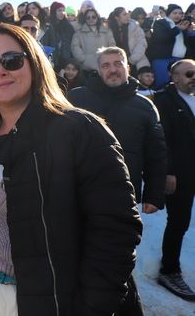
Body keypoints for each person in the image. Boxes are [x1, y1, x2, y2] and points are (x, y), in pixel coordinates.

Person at [0, 24, 142, 314]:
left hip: (55, 301)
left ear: (34, 63)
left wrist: (91, 307)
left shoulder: (79, 128)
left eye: (12, 60)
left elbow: (116, 230)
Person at [68, 46, 167, 214]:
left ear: (127, 68)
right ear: (98, 70)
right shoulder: (74, 98)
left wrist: (154, 195)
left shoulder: (145, 106)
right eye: (106, 66)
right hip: (79, 192)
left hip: (125, 193)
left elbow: (156, 154)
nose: (112, 70)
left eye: (118, 64)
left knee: (121, 240)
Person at [153, 59, 195, 301]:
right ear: (175, 77)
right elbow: (162, 139)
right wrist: (167, 172)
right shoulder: (164, 100)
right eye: (189, 73)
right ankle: (169, 270)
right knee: (178, 222)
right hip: (179, 173)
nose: (193, 77)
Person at [146, 4, 193, 89]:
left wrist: (189, 32)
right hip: (162, 59)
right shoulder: (161, 22)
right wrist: (177, 29)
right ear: (169, 14)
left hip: (179, 60)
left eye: (180, 13)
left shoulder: (183, 24)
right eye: (174, 13)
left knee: (180, 85)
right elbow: (161, 38)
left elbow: (188, 43)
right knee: (163, 85)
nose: (177, 15)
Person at [71, 7, 116, 75]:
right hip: (86, 69)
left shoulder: (107, 31)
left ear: (97, 17)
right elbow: (75, 47)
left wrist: (108, 59)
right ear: (85, 19)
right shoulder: (78, 33)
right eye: (88, 17)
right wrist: (83, 59)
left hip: (105, 66)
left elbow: (112, 45)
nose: (91, 19)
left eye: (93, 17)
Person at [107, 7, 149, 76]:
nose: (127, 16)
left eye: (127, 14)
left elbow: (142, 43)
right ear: (117, 17)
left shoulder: (134, 26)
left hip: (137, 61)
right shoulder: (109, 30)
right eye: (124, 14)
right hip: (118, 63)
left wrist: (132, 59)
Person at [41, 1, 75, 71]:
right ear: (54, 12)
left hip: (66, 61)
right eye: (59, 10)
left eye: (63, 10)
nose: (62, 13)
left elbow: (72, 44)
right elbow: (45, 44)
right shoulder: (48, 26)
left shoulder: (69, 27)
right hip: (51, 62)